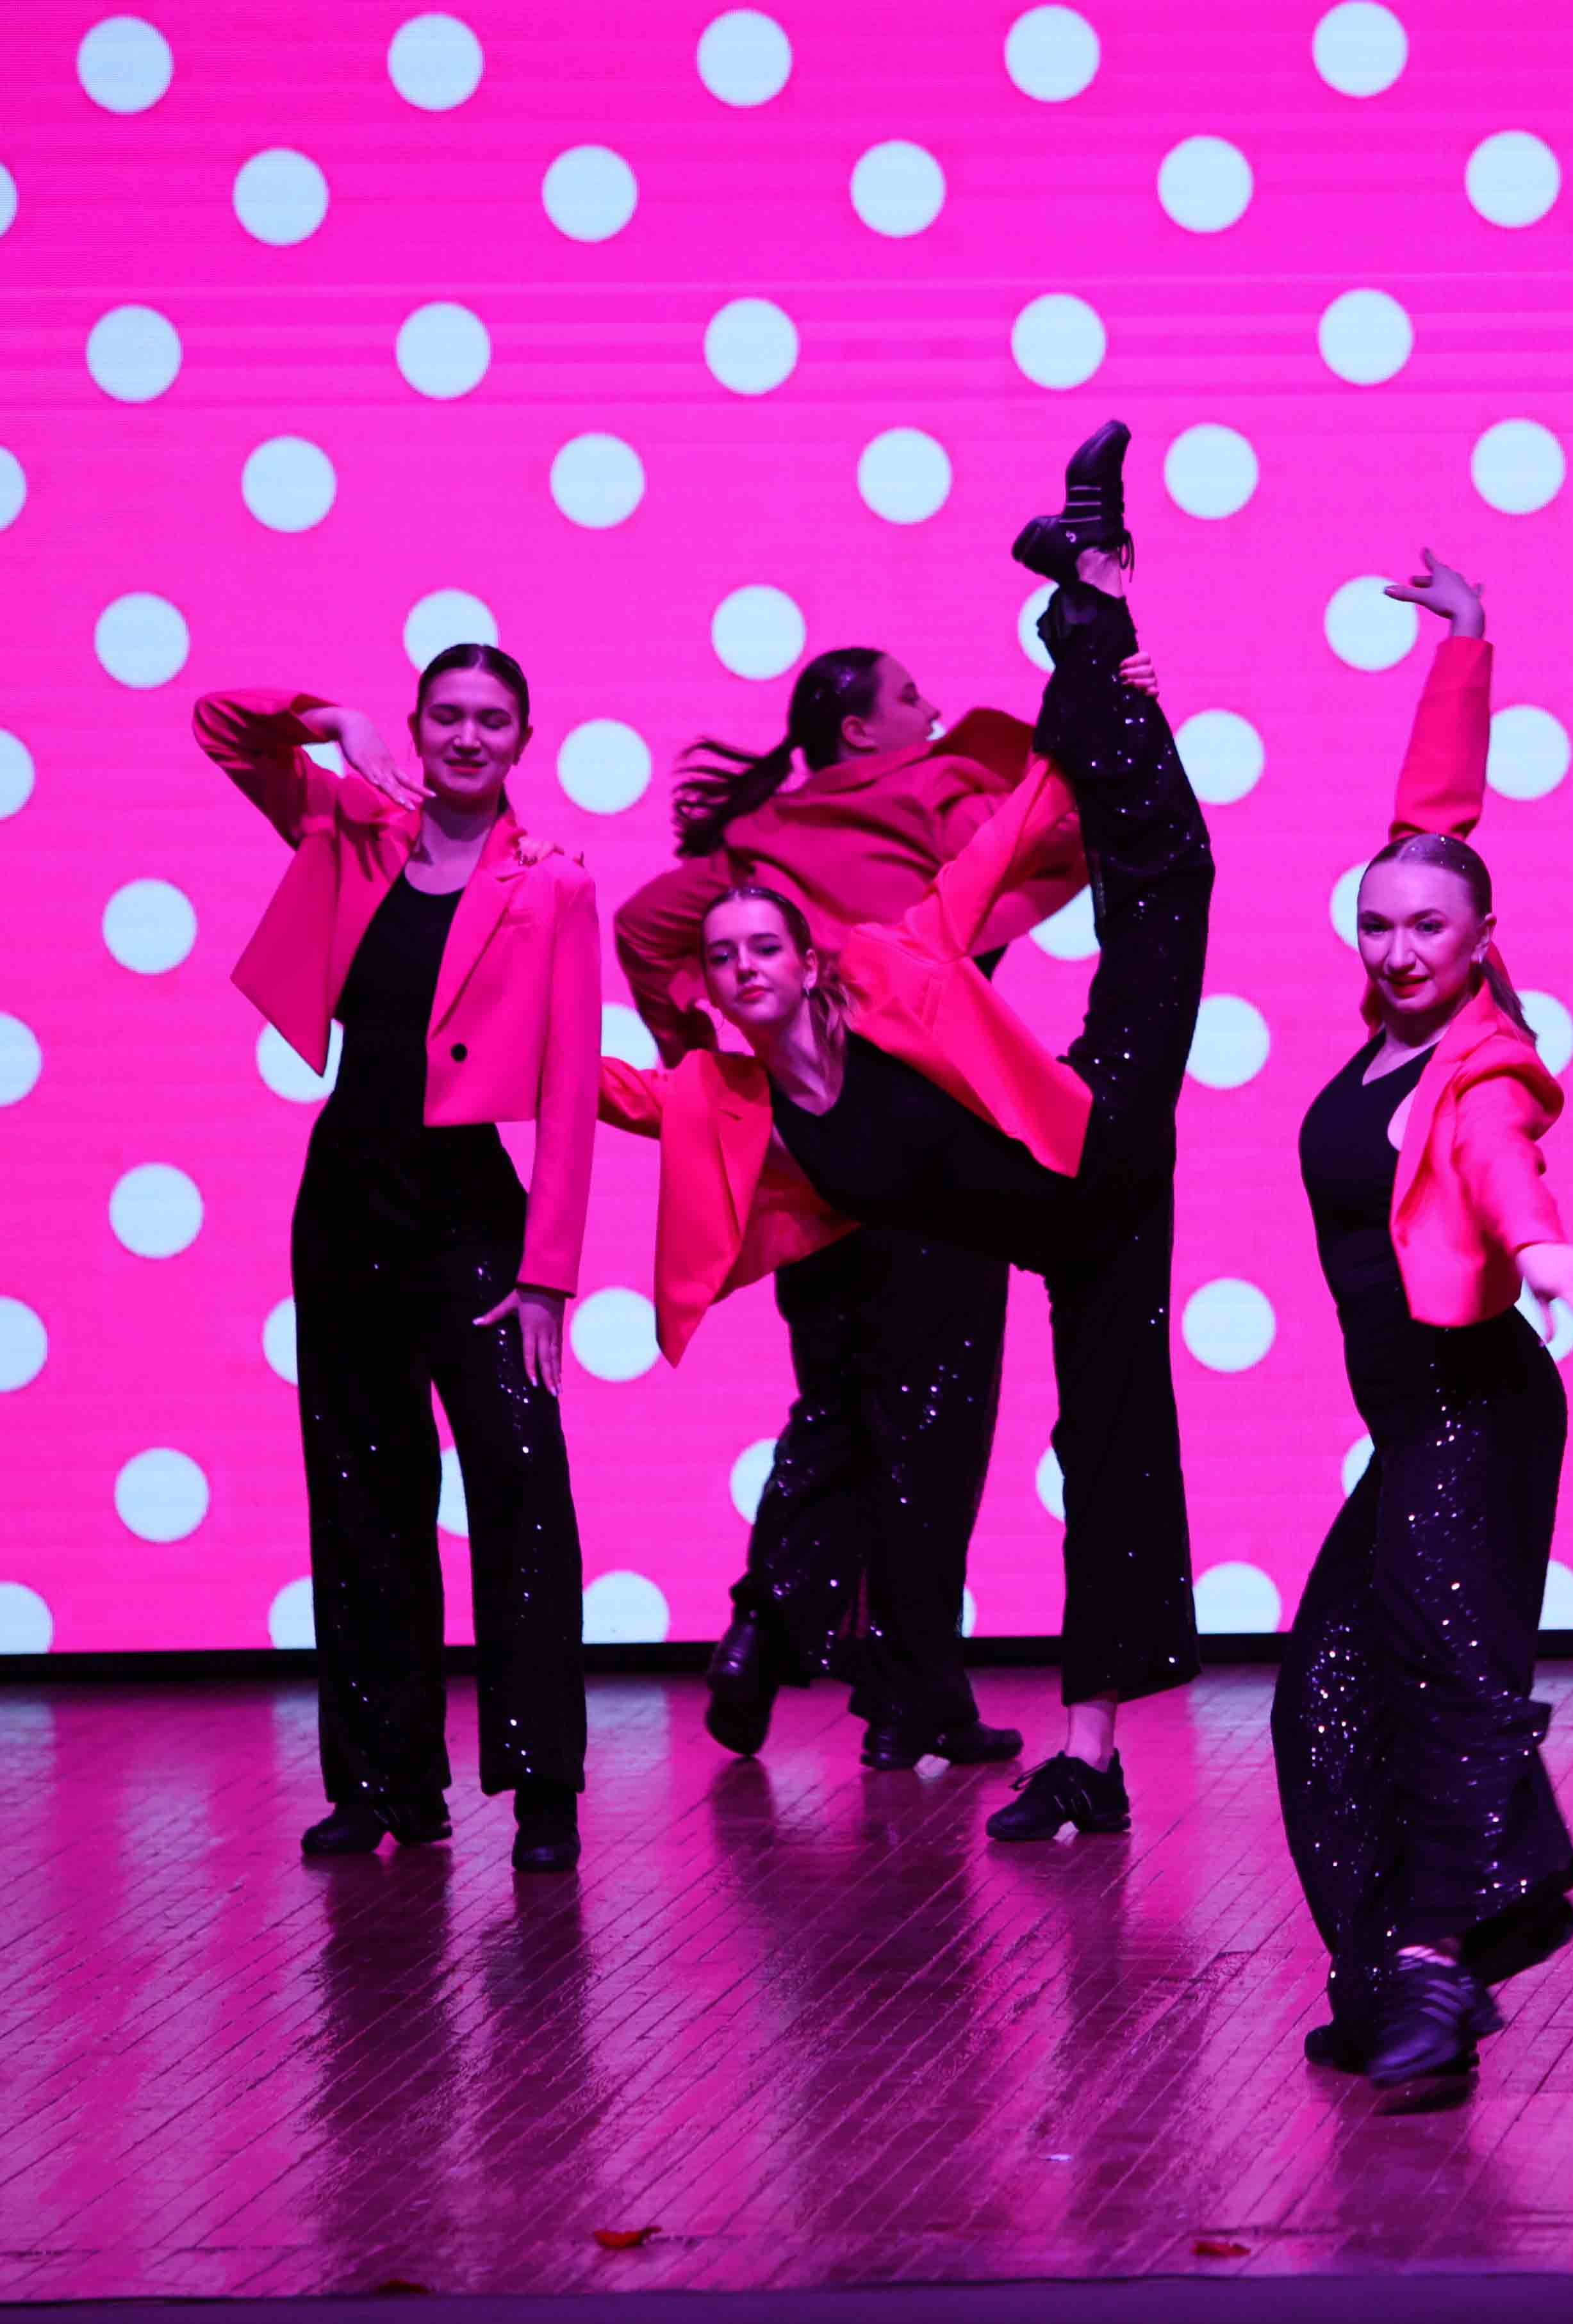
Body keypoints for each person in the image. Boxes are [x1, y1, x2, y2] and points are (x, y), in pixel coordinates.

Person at [607, 422, 1206, 1839]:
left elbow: (1008, 847)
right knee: (1078, 1445)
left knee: (1167, 872)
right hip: (1061, 1238)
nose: (743, 963)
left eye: (765, 946)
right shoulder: (732, 1096)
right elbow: (588, 1076)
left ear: (805, 954)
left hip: (1095, 1130)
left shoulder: (879, 963)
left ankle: (1094, 580)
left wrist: (1103, 697)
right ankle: (1082, 1752)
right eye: (723, 957)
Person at [611, 639, 1133, 1771]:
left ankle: (766, 1628)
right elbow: (1022, 847)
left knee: (837, 1411)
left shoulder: (757, 844)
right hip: (934, 1161)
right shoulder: (938, 791)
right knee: (932, 1441)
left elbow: (646, 927)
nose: (933, 706)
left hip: (817, 1168)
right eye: (909, 695)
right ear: (858, 730)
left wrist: (707, 1057)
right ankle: (911, 1694)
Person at [1276, 550, 1573, 2089]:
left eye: (1429, 927)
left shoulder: (1477, 1058)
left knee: (1448, 1677)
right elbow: (1434, 820)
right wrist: (1469, 645)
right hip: (1413, 1425)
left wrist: (1537, 1247)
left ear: (1485, 940)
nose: (1401, 947)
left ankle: (1434, 1964)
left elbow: (1494, 1157)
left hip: (1476, 1411)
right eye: (1379, 924)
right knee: (1319, 1692)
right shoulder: (1383, 1033)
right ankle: (1392, 1967)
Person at [193, 645, 600, 1872]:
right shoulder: (352, 824)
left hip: (474, 1218)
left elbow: (572, 1088)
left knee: (521, 1487)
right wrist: (332, 718)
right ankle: (386, 1786)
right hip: (347, 1206)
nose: (469, 737)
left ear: (523, 740)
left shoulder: (553, 883)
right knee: (364, 1493)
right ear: (417, 728)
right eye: (448, 716)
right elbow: (221, 725)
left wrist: (547, 1273)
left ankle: (542, 1786)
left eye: (493, 720)